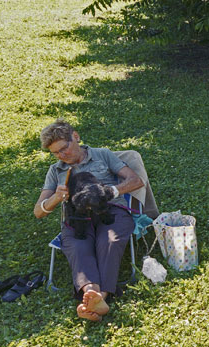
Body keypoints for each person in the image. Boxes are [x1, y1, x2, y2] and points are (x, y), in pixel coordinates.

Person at [34, 119, 144, 322]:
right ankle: (93, 294)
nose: (62, 155)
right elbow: (38, 212)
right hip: (77, 217)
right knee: (77, 246)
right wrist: (55, 198)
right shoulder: (55, 170)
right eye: (56, 153)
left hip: (111, 210)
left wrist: (111, 191)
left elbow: (136, 180)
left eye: (64, 148)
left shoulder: (102, 154)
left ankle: (97, 299)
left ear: (75, 137)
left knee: (109, 240)